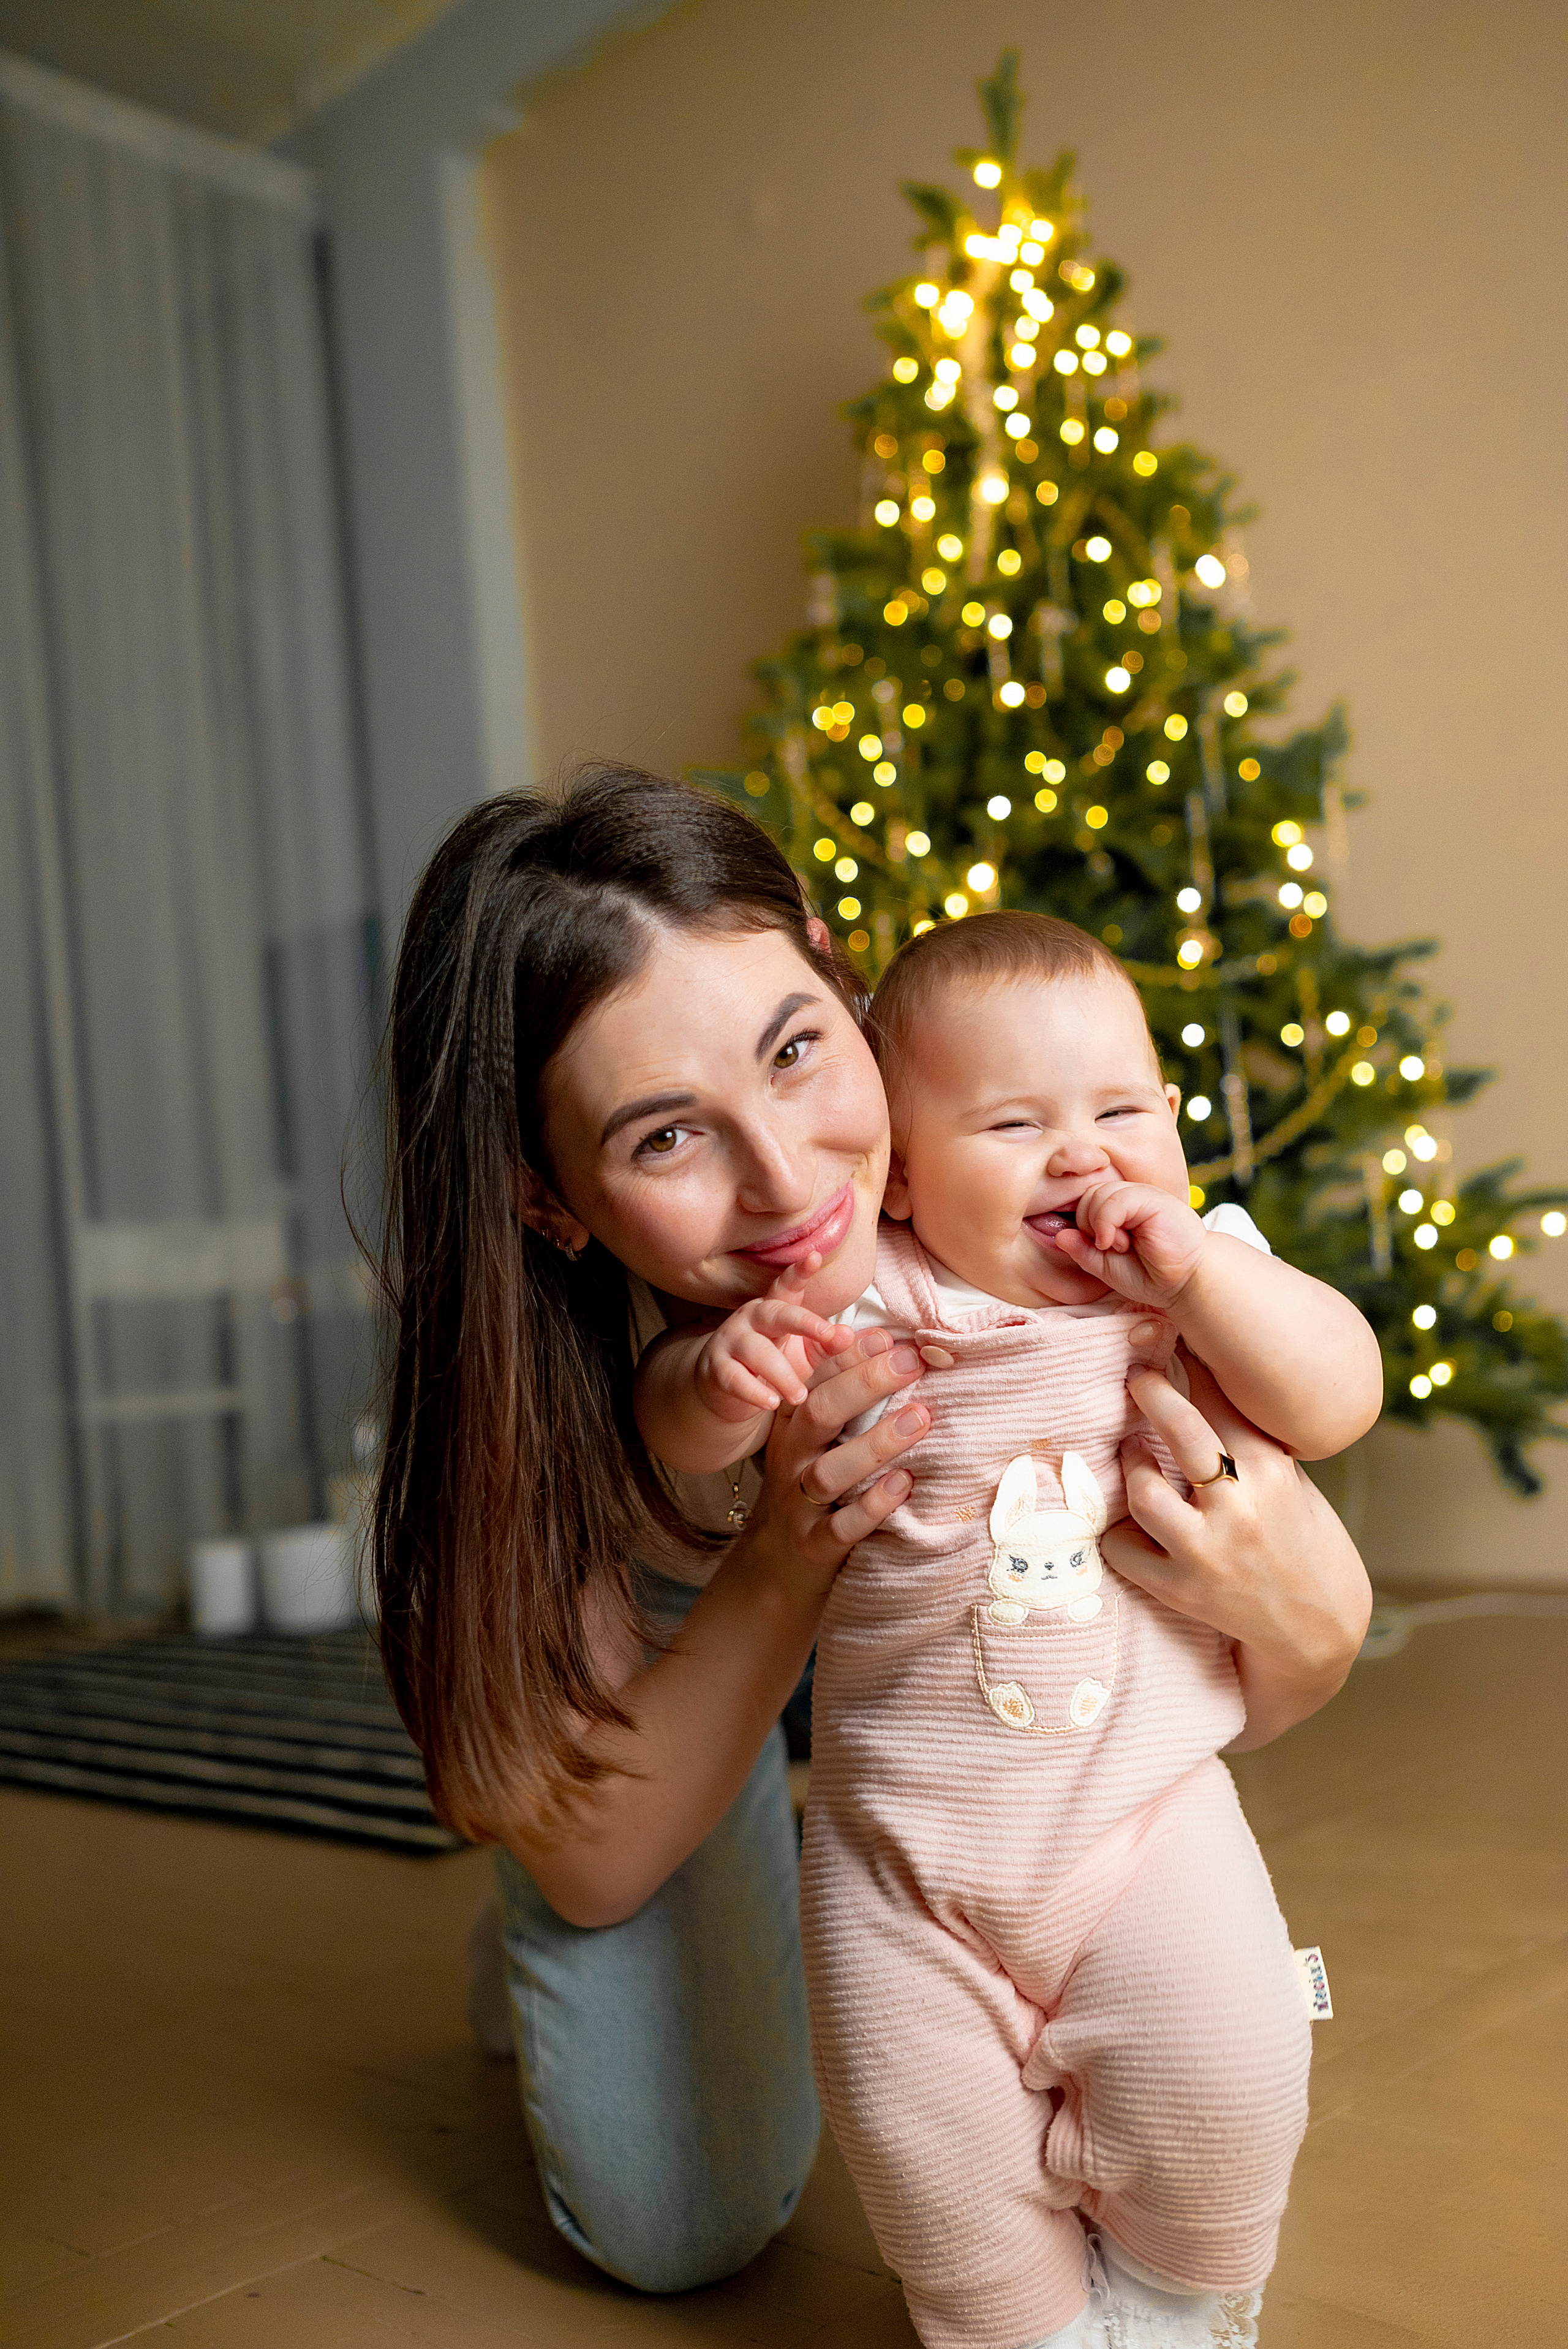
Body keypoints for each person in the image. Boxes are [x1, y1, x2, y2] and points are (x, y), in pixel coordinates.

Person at [370, 763, 1374, 2313]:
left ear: (840, 978)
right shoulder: (533, 1381)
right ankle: (643, 1944)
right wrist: (783, 1544)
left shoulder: (1021, 1191)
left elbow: (1227, 1682)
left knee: (1191, 2026)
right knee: (677, 2218)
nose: (784, 1181)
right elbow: (594, 1849)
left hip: (982, 1728)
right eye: (660, 1141)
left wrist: (1303, 1607)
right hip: (688, 1744)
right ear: (543, 1197)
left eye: (793, 1050)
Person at [632, 909, 1382, 2347]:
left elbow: (1335, 1392)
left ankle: (1174, 2302)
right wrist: (718, 1375)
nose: (1081, 1154)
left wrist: (1202, 1279)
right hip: (898, 1855)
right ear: (899, 1179)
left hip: (1146, 1825)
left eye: (1119, 1111)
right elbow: (680, 1433)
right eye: (1011, 1123)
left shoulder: (1193, 1287)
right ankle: (1018, 2329)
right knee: (921, 2147)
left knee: (1226, 2063)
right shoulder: (870, 1289)